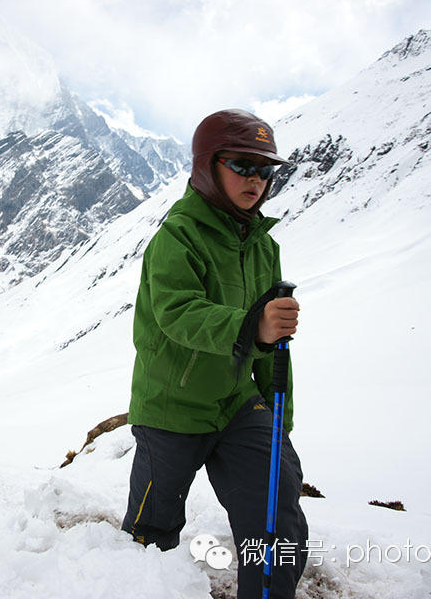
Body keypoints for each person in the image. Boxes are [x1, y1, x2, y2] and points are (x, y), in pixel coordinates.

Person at [120, 109, 308, 598]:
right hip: (172, 405)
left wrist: (276, 420)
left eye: (266, 170)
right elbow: (177, 313)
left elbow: (268, 344)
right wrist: (253, 325)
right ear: (208, 165)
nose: (256, 180)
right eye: (242, 165)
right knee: (150, 535)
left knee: (276, 509)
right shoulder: (177, 237)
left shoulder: (264, 247)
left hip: (235, 401)